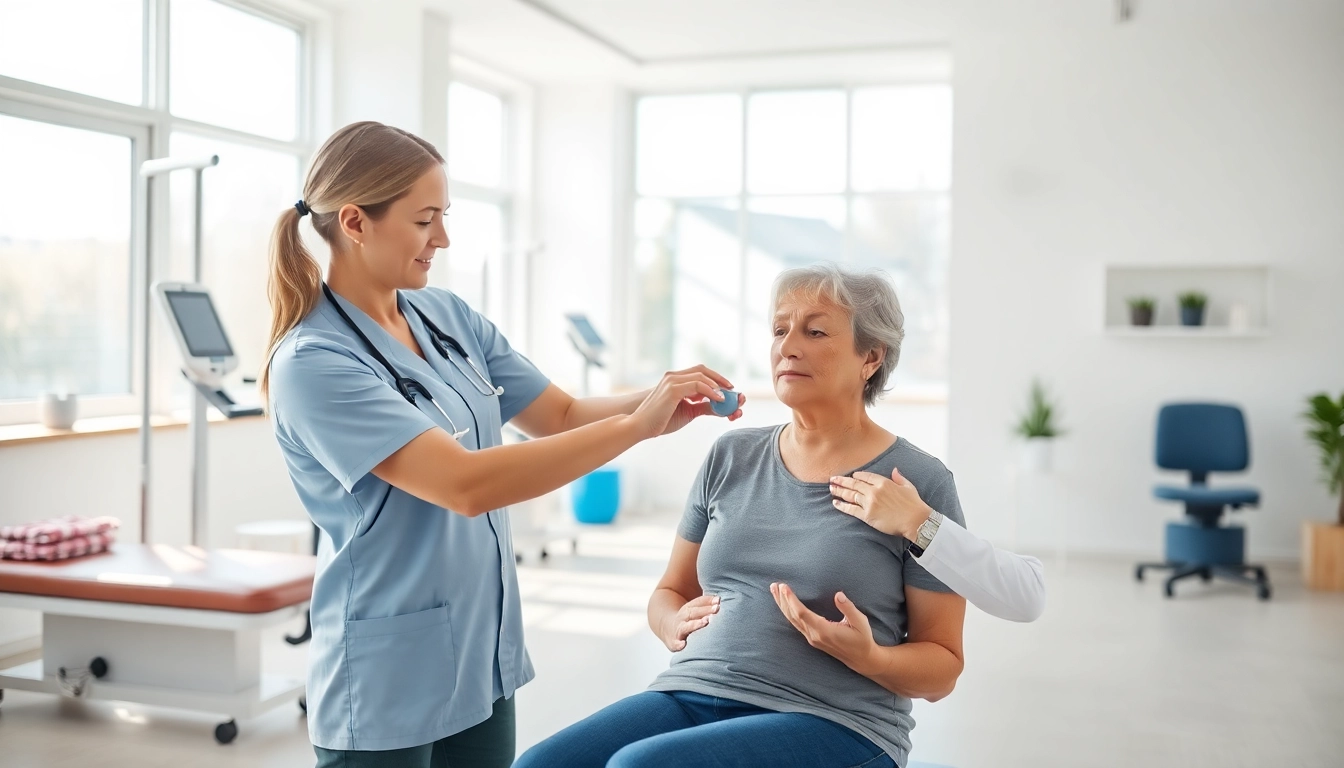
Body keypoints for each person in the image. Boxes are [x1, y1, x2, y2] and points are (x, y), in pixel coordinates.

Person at [261, 121, 744, 768]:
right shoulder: (314, 362)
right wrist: (637, 426)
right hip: (385, 672)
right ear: (354, 222)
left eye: (445, 216)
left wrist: (660, 397)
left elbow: (561, 414)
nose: (444, 238)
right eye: (425, 219)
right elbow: (465, 484)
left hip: (479, 653)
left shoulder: (448, 316)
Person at [515, 263, 966, 768]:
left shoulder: (920, 483)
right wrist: (670, 623)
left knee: (640, 767)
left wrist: (872, 658)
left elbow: (943, 668)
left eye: (814, 331)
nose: (787, 345)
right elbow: (670, 592)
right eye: (779, 329)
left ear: (871, 357)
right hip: (692, 691)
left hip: (836, 719)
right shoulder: (732, 455)